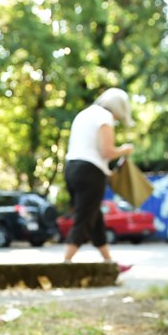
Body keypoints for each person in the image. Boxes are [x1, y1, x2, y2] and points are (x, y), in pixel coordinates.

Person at [62, 87, 135, 272]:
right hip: (90, 172)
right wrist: (124, 150)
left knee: (95, 217)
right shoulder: (104, 117)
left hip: (71, 168)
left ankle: (109, 263)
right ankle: (64, 264)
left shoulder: (84, 114)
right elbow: (107, 151)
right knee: (85, 218)